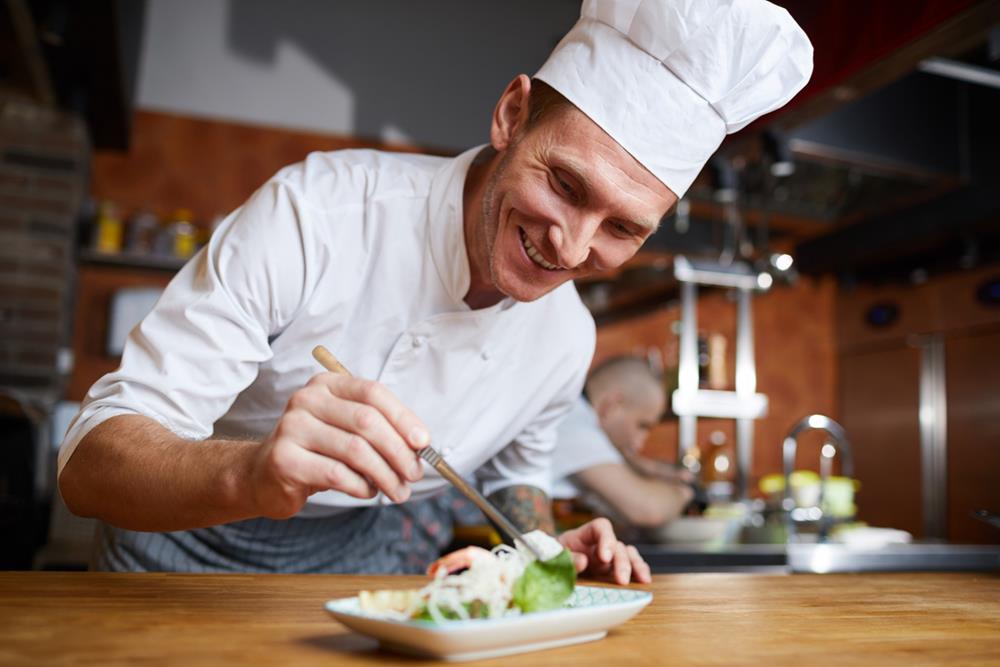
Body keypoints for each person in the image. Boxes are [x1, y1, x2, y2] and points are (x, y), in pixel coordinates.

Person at [57, 0, 812, 582]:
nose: (572, 248)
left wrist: (541, 545)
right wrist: (249, 471)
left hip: (364, 571)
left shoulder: (566, 339)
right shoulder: (317, 213)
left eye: (623, 227)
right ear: (511, 116)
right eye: (565, 184)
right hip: (172, 559)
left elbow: (519, 476)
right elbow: (91, 462)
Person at [551, 357, 694, 536]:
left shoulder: (574, 412)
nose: (641, 441)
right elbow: (648, 508)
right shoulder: (574, 423)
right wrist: (684, 494)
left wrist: (648, 468)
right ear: (613, 406)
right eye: (642, 425)